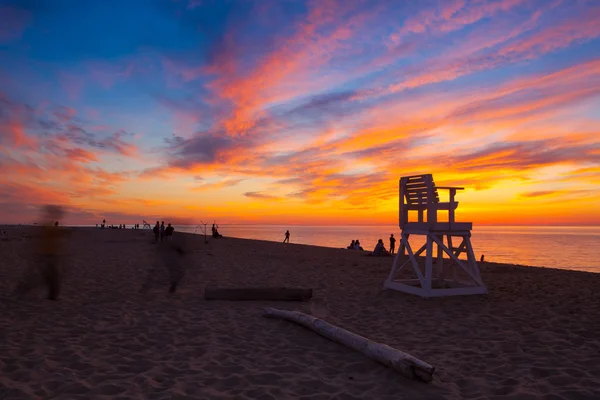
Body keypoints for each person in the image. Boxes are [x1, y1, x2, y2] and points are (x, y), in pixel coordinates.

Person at [16, 205, 68, 300]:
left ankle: (51, 296)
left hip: (51, 255)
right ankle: (25, 288)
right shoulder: (47, 226)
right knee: (49, 277)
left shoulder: (50, 226)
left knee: (51, 277)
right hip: (46, 255)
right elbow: (48, 234)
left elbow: (55, 237)